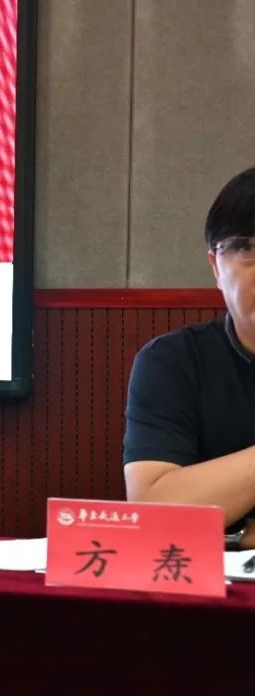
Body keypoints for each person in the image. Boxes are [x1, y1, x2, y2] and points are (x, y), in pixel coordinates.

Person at [124, 166, 255, 548]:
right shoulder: (171, 362)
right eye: (247, 248)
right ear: (216, 266)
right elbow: (152, 510)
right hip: (214, 582)